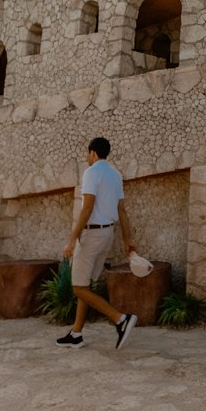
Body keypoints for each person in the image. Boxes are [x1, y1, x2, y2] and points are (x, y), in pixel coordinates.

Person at [57, 136, 138, 349]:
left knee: (78, 288)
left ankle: (121, 319)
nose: (86, 157)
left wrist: (72, 240)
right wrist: (127, 239)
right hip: (108, 234)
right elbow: (122, 210)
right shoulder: (115, 175)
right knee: (86, 285)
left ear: (93, 153)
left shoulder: (91, 173)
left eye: (87, 153)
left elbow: (87, 207)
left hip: (92, 236)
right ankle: (76, 334)